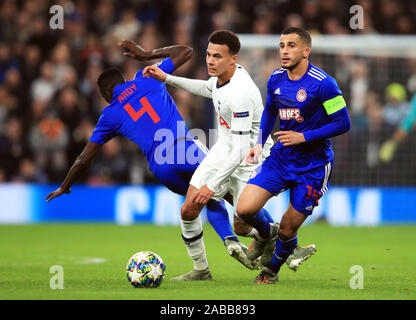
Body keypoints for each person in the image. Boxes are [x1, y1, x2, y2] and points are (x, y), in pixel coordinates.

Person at [45, 39, 258, 271]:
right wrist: (146, 54)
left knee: (199, 201)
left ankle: (205, 266)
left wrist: (65, 185)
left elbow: (84, 158)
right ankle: (259, 236)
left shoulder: (109, 115)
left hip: (160, 167)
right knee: (228, 194)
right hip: (184, 148)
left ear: (106, 92)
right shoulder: (147, 78)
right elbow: (186, 51)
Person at [144, 30, 280, 281]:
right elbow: (207, 88)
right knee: (189, 208)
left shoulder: (240, 93)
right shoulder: (222, 77)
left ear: (233, 59)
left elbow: (240, 149)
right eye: (208, 54)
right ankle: (201, 270)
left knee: (242, 225)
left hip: (248, 156)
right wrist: (167, 78)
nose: (210, 60)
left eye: (217, 56)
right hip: (224, 148)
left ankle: (271, 233)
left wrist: (212, 185)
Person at [236, 27, 351, 284]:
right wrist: (258, 143)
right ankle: (266, 234)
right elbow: (269, 111)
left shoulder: (324, 84)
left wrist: (304, 136)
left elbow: (343, 123)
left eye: (291, 45)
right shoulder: (276, 78)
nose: (284, 51)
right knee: (244, 209)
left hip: (314, 165)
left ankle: (271, 271)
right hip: (281, 158)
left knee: (289, 227)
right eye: (281, 45)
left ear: (306, 51)